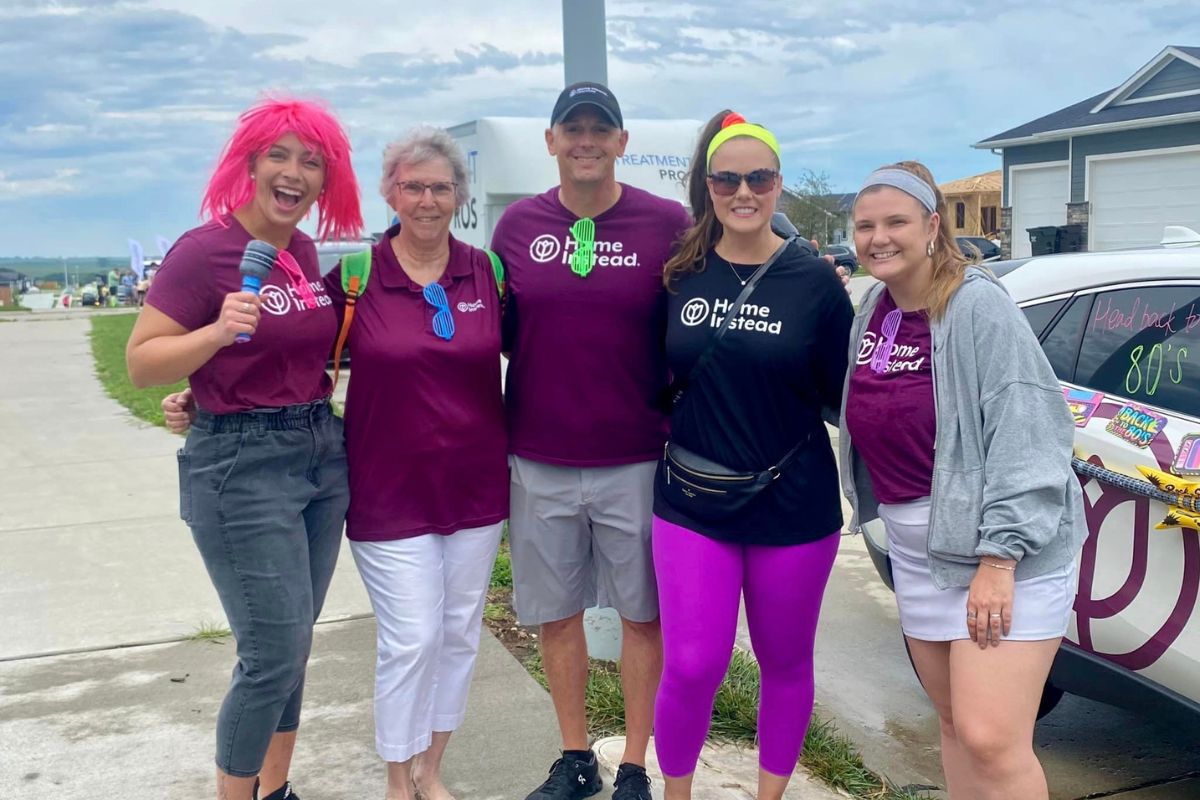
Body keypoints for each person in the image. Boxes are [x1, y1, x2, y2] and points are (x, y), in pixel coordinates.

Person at [127, 97, 363, 800]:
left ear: (327, 182)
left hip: (318, 451)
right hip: (241, 468)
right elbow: (143, 363)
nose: (294, 173)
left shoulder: (302, 252)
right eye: (280, 156)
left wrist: (205, 385)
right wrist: (212, 339)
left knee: (295, 645)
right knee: (270, 653)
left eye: (311, 162)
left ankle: (277, 789)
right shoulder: (203, 252)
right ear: (251, 165)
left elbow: (294, 354)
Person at [840, 161, 1087, 800]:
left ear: (931, 227)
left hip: (999, 556)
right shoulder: (876, 307)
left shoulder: (976, 306)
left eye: (895, 222)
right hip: (918, 553)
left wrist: (999, 560)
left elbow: (1030, 436)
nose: (878, 238)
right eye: (865, 225)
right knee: (951, 725)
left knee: (992, 739)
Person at [488, 81, 691, 800]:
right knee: (556, 613)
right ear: (550, 142)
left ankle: (636, 761)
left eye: (599, 129)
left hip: (637, 455)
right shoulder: (515, 227)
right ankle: (576, 756)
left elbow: (694, 326)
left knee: (644, 613)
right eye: (571, 128)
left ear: (621, 143)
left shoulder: (667, 222)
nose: (585, 140)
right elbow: (496, 334)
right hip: (538, 454)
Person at [651, 111, 852, 800]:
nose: (743, 190)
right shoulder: (678, 272)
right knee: (692, 664)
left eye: (758, 177)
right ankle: (675, 794)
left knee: (786, 661)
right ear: (706, 185)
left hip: (793, 501)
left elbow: (840, 394)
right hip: (690, 499)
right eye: (727, 177)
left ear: (778, 185)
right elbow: (652, 377)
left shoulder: (817, 283)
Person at [321, 127, 507, 800]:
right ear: (388, 191)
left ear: (459, 194)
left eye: (439, 187)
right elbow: (287, 358)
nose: (427, 200)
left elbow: (552, 356)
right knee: (413, 638)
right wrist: (204, 392)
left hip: (476, 491)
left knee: (458, 634)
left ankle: (432, 769)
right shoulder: (355, 278)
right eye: (412, 186)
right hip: (389, 493)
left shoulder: (487, 272)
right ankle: (397, 779)